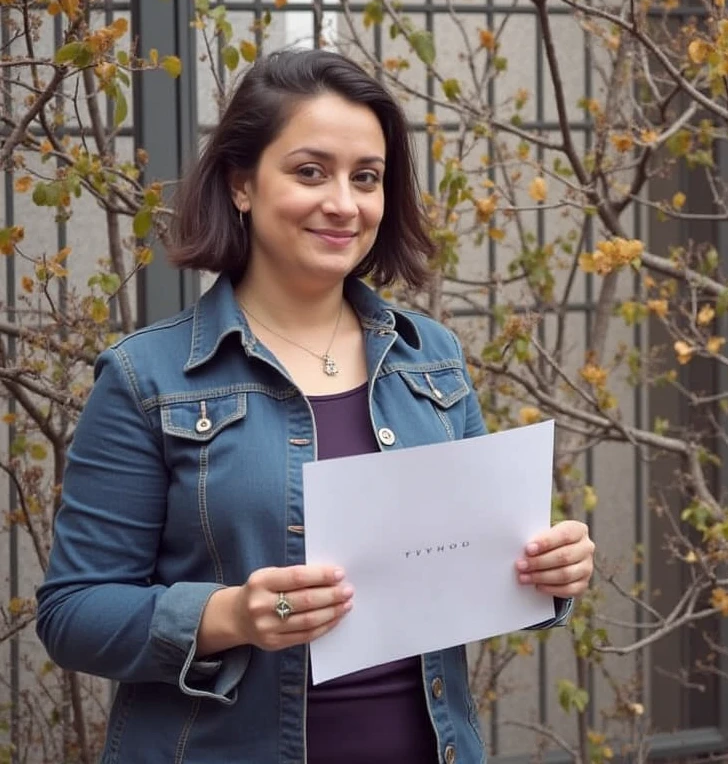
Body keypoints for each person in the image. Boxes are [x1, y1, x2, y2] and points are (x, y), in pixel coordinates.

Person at [36, 48, 595, 764]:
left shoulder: (434, 360)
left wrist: (547, 576)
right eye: (310, 172)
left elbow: (474, 569)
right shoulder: (148, 378)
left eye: (367, 177)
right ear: (242, 183)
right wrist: (230, 614)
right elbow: (73, 613)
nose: (344, 203)